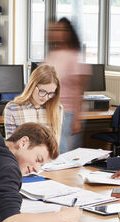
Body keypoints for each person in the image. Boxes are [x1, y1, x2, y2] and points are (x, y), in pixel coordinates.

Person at [44, 17, 90, 153]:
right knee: (54, 153)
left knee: (65, 155)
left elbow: (78, 91)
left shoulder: (73, 56)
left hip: (68, 114)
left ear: (68, 33)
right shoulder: (52, 55)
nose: (54, 33)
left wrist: (77, 118)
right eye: (53, 30)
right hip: (52, 112)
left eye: (59, 30)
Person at [3, 64, 63, 142]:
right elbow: (12, 146)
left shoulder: (57, 108)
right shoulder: (13, 109)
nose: (45, 97)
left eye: (51, 93)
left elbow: (55, 144)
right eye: (42, 91)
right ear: (32, 85)